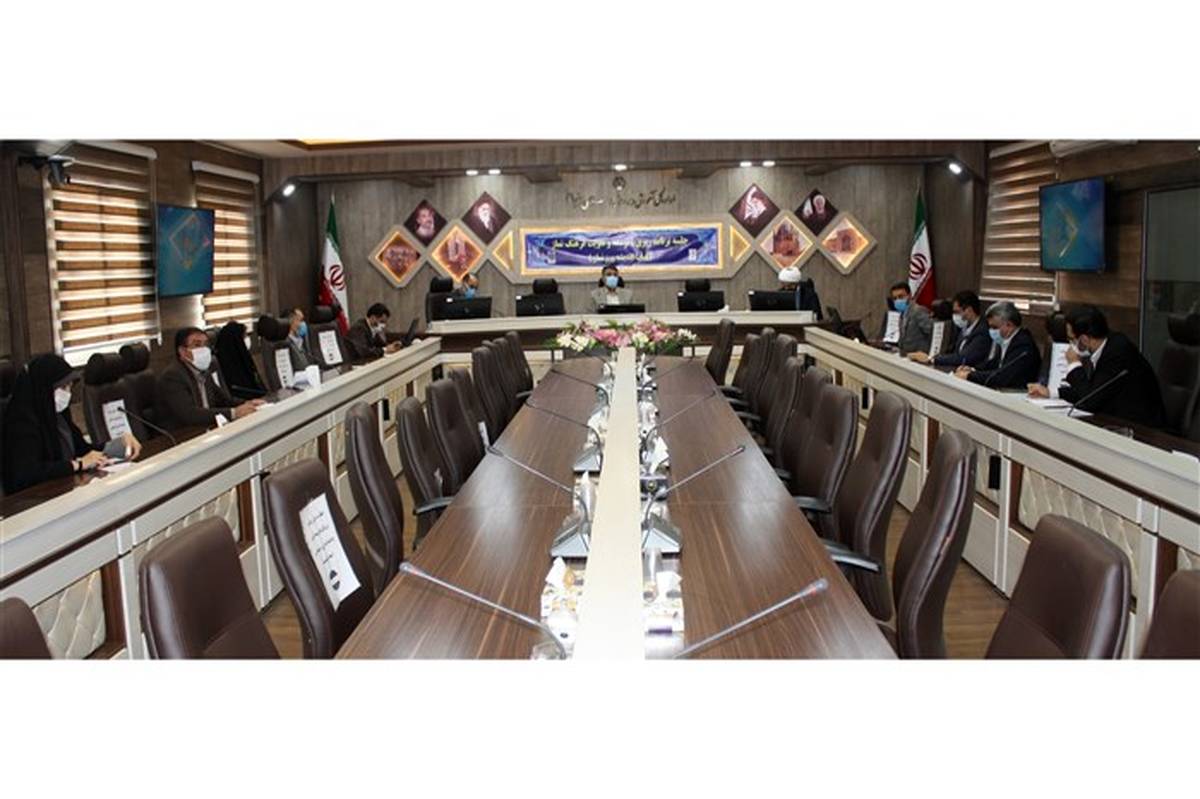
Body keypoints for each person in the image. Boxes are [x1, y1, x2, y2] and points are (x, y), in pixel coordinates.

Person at [2, 354, 143, 494]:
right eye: (63, 387)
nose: (68, 394)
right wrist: (77, 464)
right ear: (44, 388)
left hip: (63, 490)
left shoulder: (58, 416)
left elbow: (83, 450)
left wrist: (119, 444)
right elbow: (27, 474)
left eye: (69, 387)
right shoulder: (21, 422)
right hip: (31, 500)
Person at [1028, 305, 1167, 427]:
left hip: (1141, 428)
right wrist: (1051, 393)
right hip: (1117, 420)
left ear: (1084, 339)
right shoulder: (1105, 346)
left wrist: (1074, 363)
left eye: (1071, 339)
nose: (1070, 344)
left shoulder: (1117, 351)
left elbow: (1090, 400)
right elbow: (1092, 390)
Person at [159, 327, 263, 431]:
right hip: (182, 433)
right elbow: (189, 414)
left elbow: (223, 400)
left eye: (206, 344)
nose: (204, 349)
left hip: (206, 427)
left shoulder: (204, 371)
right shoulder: (173, 376)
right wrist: (233, 413)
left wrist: (248, 403)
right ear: (182, 351)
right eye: (197, 345)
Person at [955, 301, 1041, 388]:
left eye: (994, 327)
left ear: (1009, 325)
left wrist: (970, 376)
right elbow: (994, 364)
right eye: (990, 327)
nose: (991, 331)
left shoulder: (1023, 346)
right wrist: (973, 369)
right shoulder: (1006, 340)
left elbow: (1002, 376)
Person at [908, 290, 990, 368]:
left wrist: (931, 359)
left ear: (969, 310)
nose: (955, 316)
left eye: (957, 312)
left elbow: (964, 358)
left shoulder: (982, 331)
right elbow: (953, 352)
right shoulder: (963, 328)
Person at [879, 281, 932, 355]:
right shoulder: (902, 314)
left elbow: (932, 333)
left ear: (909, 295)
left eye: (901, 297)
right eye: (895, 298)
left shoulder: (918, 311)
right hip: (906, 356)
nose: (897, 300)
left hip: (919, 357)